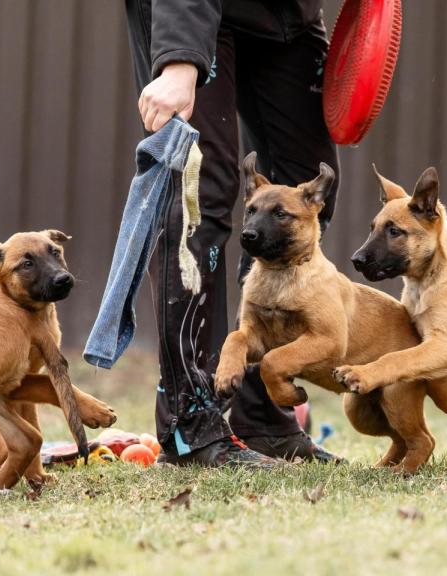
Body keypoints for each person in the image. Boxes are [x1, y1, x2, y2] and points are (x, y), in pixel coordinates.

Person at [123, 0, 341, 466]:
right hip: (200, 13)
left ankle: (260, 417)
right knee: (200, 192)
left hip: (286, 17)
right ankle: (191, 425)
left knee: (305, 192)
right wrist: (180, 60)